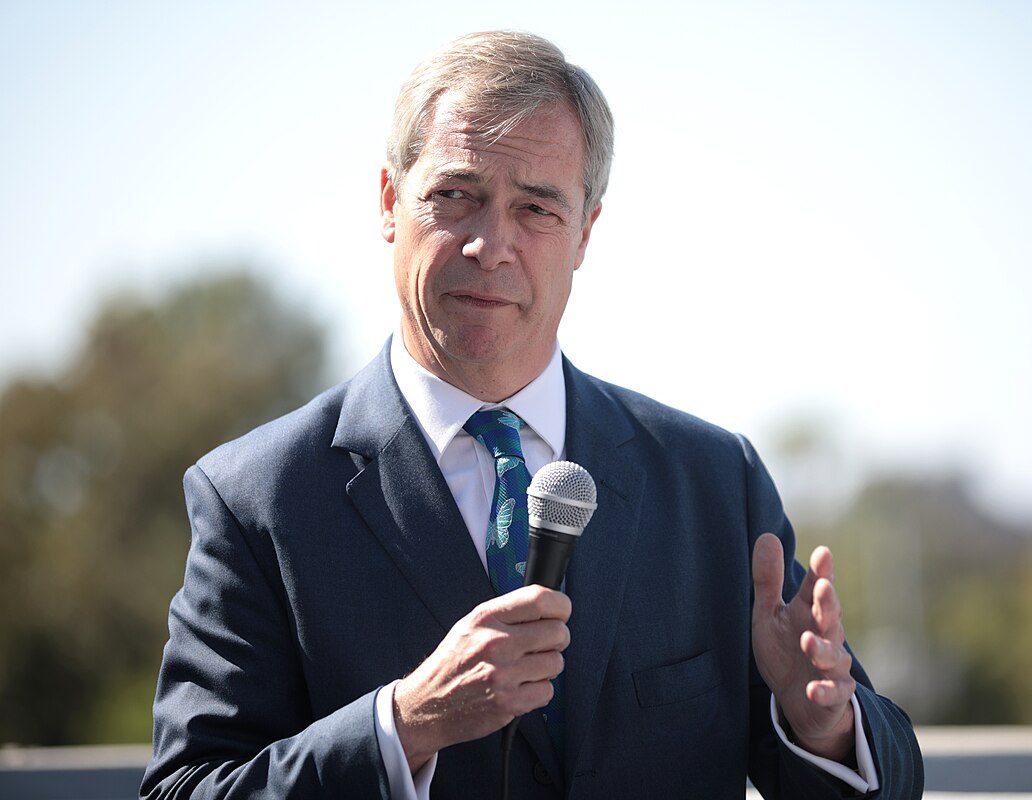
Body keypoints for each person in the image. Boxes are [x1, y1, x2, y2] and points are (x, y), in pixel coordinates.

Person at [141, 31, 922, 800]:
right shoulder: (257, 499)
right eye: (456, 196)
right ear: (388, 202)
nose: (491, 245)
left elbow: (881, 776)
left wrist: (824, 729)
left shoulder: (715, 483)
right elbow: (187, 787)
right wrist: (402, 726)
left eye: (537, 208)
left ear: (585, 233)